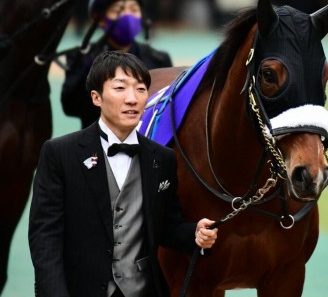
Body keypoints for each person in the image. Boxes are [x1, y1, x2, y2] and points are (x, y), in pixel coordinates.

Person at [30, 51, 218, 297]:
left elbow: (167, 227)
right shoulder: (59, 153)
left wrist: (195, 234)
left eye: (140, 90)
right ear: (96, 98)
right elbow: (45, 236)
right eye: (120, 88)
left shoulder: (162, 158)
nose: (132, 99)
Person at [62, 0, 172, 129]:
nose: (127, 16)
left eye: (134, 10)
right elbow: (70, 107)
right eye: (118, 10)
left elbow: (167, 111)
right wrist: (88, 68)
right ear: (100, 19)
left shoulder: (159, 60)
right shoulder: (81, 57)